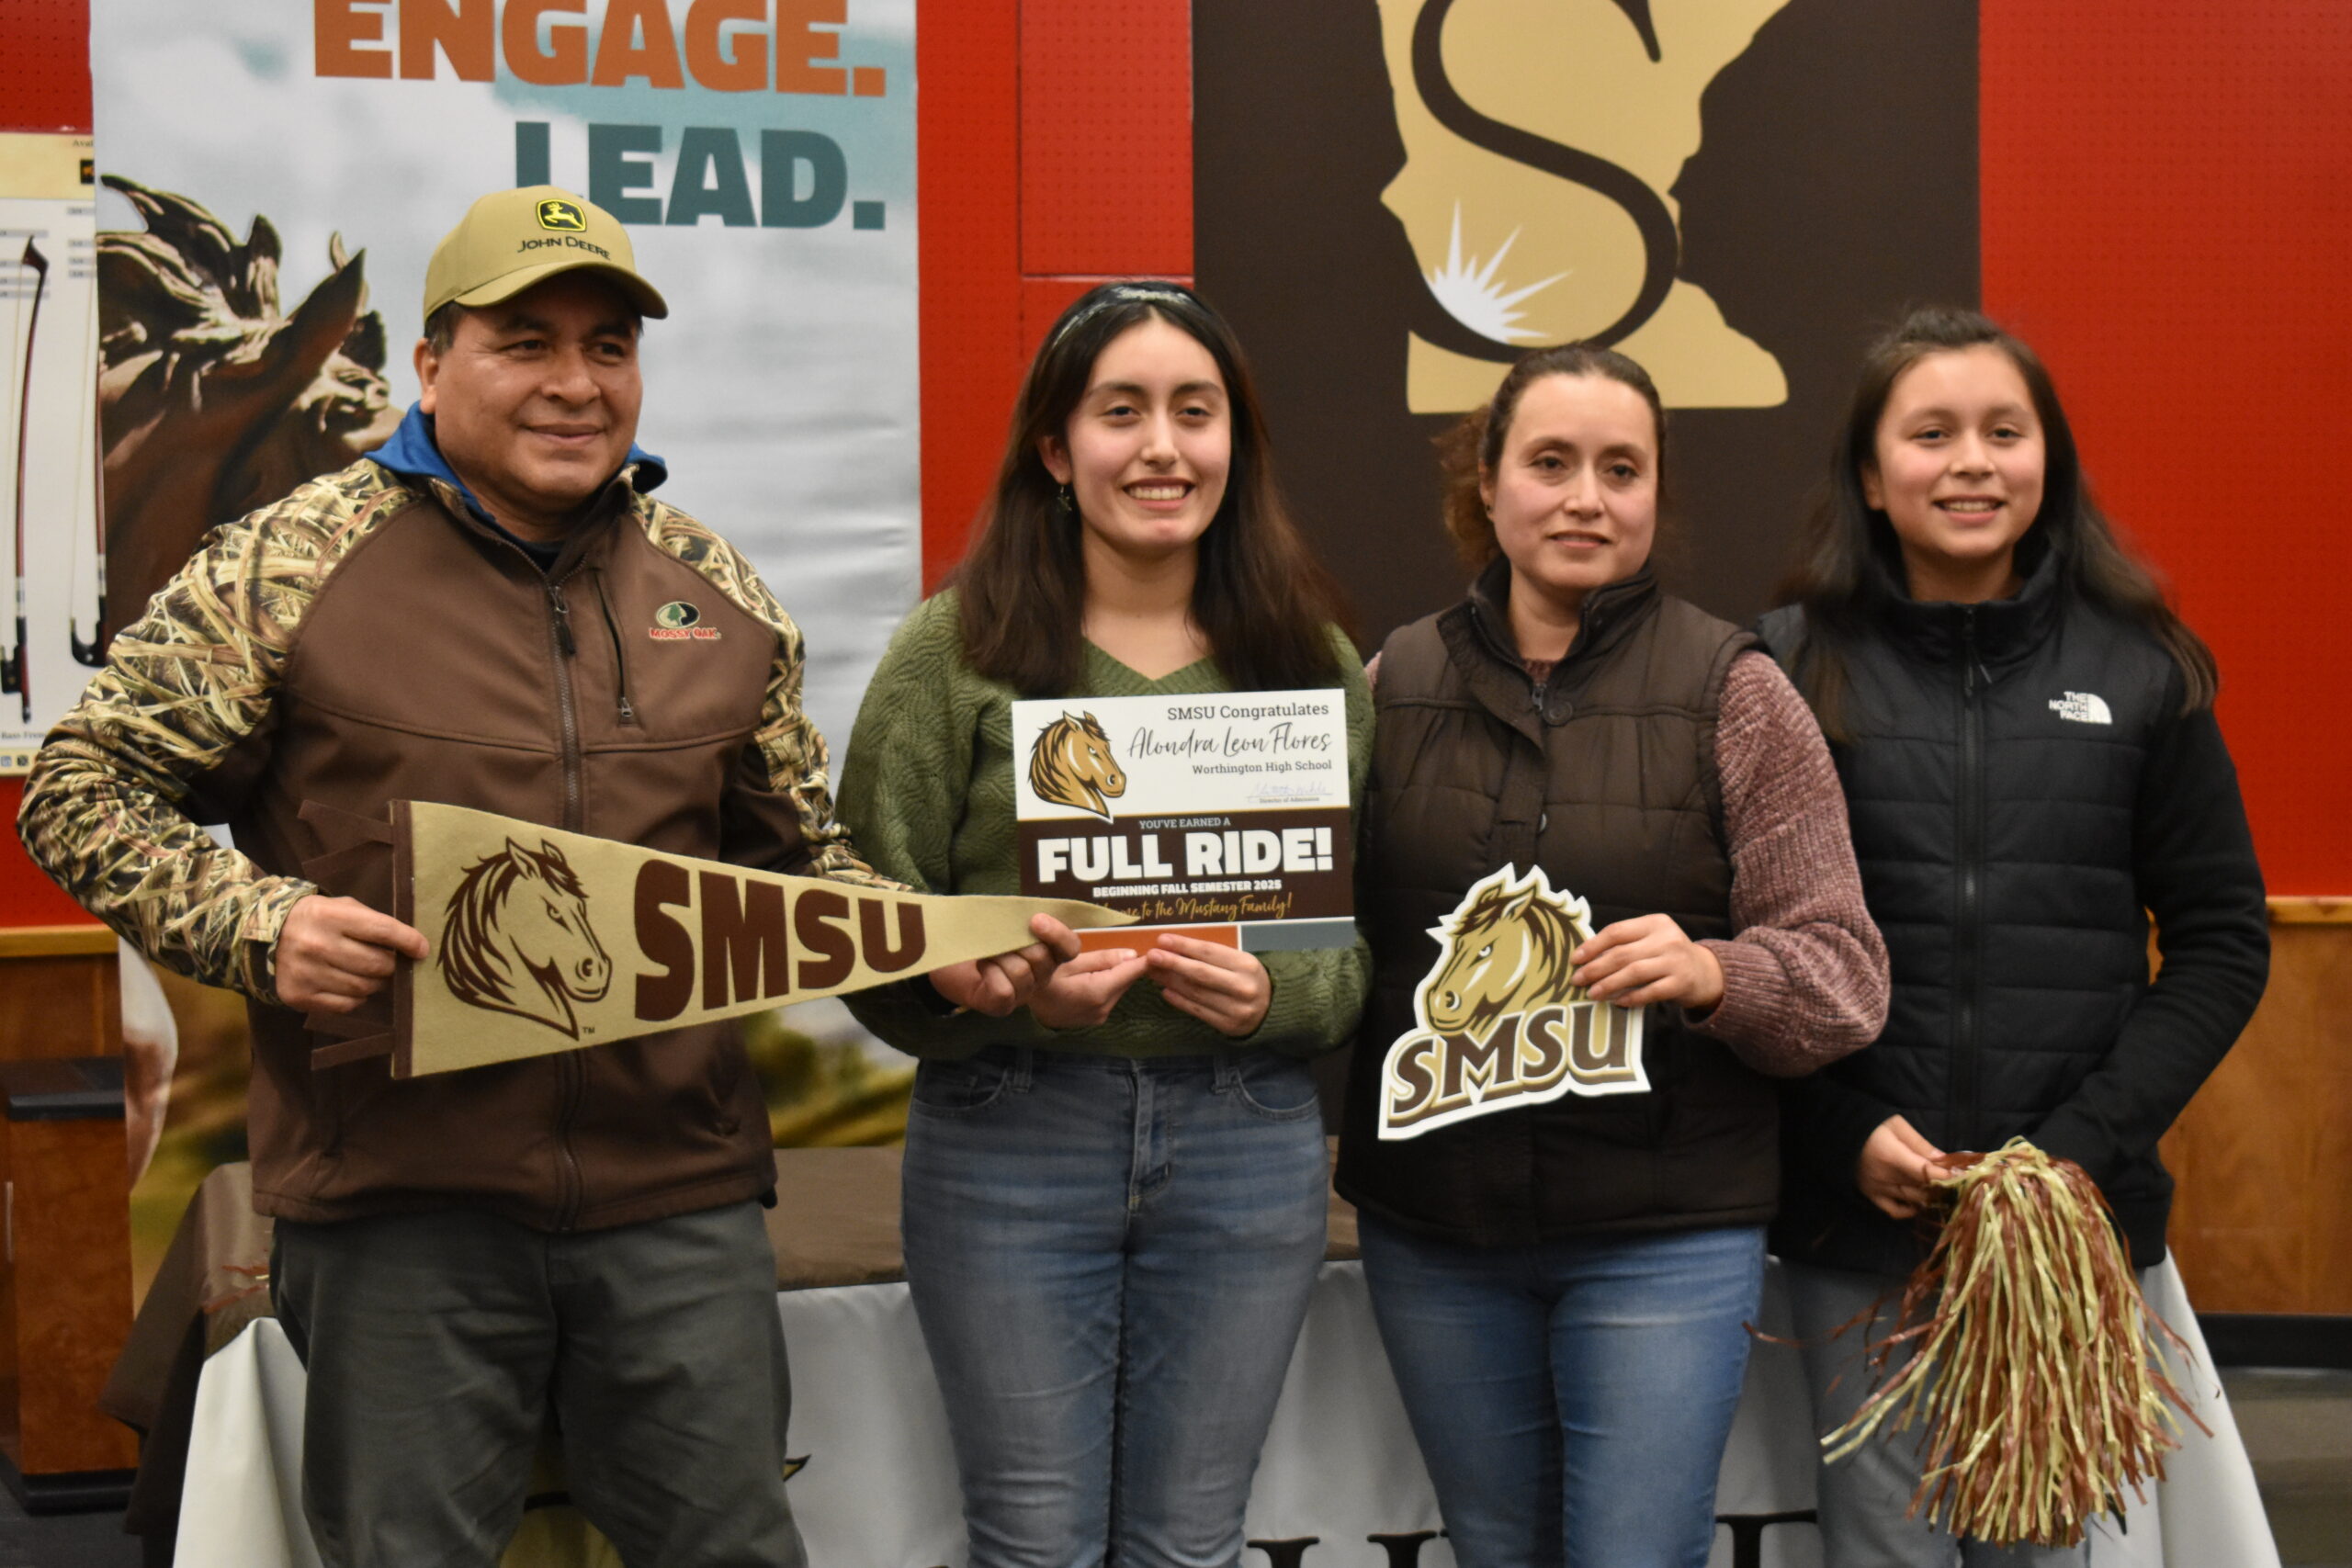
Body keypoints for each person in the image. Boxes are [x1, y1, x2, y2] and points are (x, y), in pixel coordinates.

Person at [17, 186, 1065, 1568]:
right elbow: (79, 787)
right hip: (401, 1208)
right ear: (434, 363)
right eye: (528, 342)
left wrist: (919, 939)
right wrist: (258, 925)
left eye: (609, 345)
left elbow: (803, 861)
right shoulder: (286, 565)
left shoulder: (717, 595)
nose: (577, 383)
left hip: (677, 1206)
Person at [836, 280, 1370, 1568]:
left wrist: (1280, 1000)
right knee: (1033, 1545)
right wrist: (986, 986)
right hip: (1009, 1135)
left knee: (1193, 1546)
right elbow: (862, 924)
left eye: (1196, 412)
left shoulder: (1312, 667)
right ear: (1053, 451)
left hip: (1248, 1146)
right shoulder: (951, 652)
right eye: (1119, 412)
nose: (1162, 448)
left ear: (1235, 446)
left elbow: (1356, 958)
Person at [1333, 342, 1890, 1568]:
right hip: (1436, 1227)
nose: (1586, 495)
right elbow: (1327, 947)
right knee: (1494, 1546)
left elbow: (1844, 979)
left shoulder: (1737, 690)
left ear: (1655, 494)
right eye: (1550, 462)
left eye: (1619, 469)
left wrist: (1715, 974)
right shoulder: (1392, 681)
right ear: (1487, 484)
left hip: (1664, 1233)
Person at [1759, 306, 2269, 1568]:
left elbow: (2221, 943)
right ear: (1873, 480)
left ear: (2051, 464)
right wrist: (1841, 1131)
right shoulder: (1783, 670)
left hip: (2067, 1239)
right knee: (1886, 1555)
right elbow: (1743, 954)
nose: (1972, 462)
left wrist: (2076, 1157)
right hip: (1864, 1236)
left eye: (2004, 431)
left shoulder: (2147, 671)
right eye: (1930, 435)